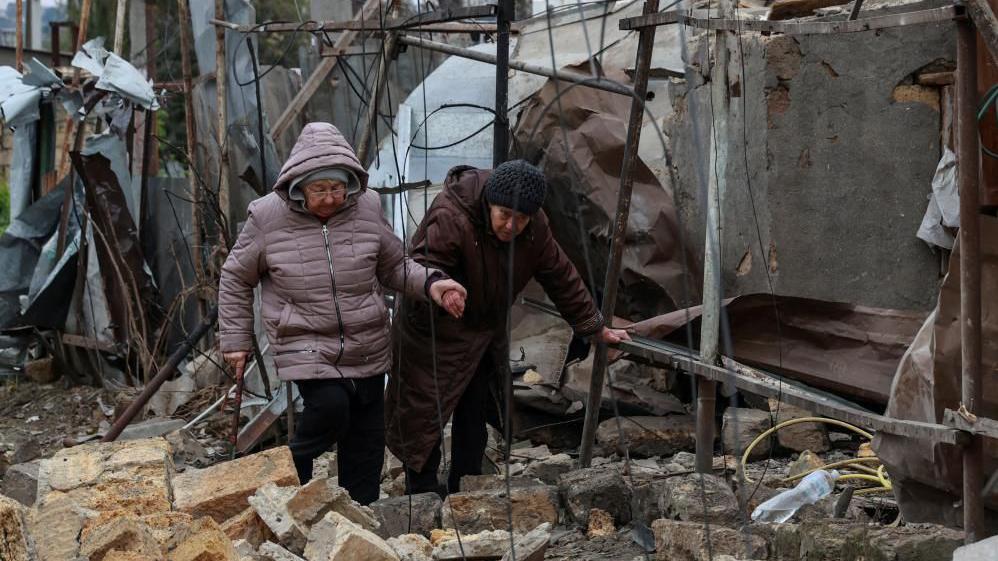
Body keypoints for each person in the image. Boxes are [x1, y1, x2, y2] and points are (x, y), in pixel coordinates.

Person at [218, 122, 466, 504]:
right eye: (320, 189)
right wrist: (235, 341)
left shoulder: (365, 206)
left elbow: (394, 265)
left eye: (338, 187)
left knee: (367, 435)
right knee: (332, 407)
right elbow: (235, 276)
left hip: (367, 340)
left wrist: (433, 283)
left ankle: (361, 513)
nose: (332, 198)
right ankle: (290, 474)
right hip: (304, 340)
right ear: (299, 186)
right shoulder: (267, 217)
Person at [385, 160, 629, 495]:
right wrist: (441, 288)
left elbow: (560, 276)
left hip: (483, 332)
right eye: (504, 215)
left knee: (476, 412)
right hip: (432, 328)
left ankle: (465, 491)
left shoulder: (535, 228)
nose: (512, 225)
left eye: (521, 218)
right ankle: (422, 493)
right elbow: (423, 265)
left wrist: (593, 326)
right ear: (489, 204)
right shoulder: (451, 215)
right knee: (422, 413)